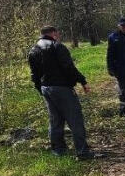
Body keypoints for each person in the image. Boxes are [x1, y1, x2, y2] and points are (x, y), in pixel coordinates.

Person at [27, 25, 98, 159]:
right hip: (62, 88)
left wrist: (40, 89)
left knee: (55, 121)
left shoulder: (33, 50)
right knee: (75, 119)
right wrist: (82, 81)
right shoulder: (57, 46)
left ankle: (58, 151)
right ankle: (82, 152)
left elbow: (34, 75)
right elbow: (68, 67)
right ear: (54, 33)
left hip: (46, 88)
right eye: (57, 33)